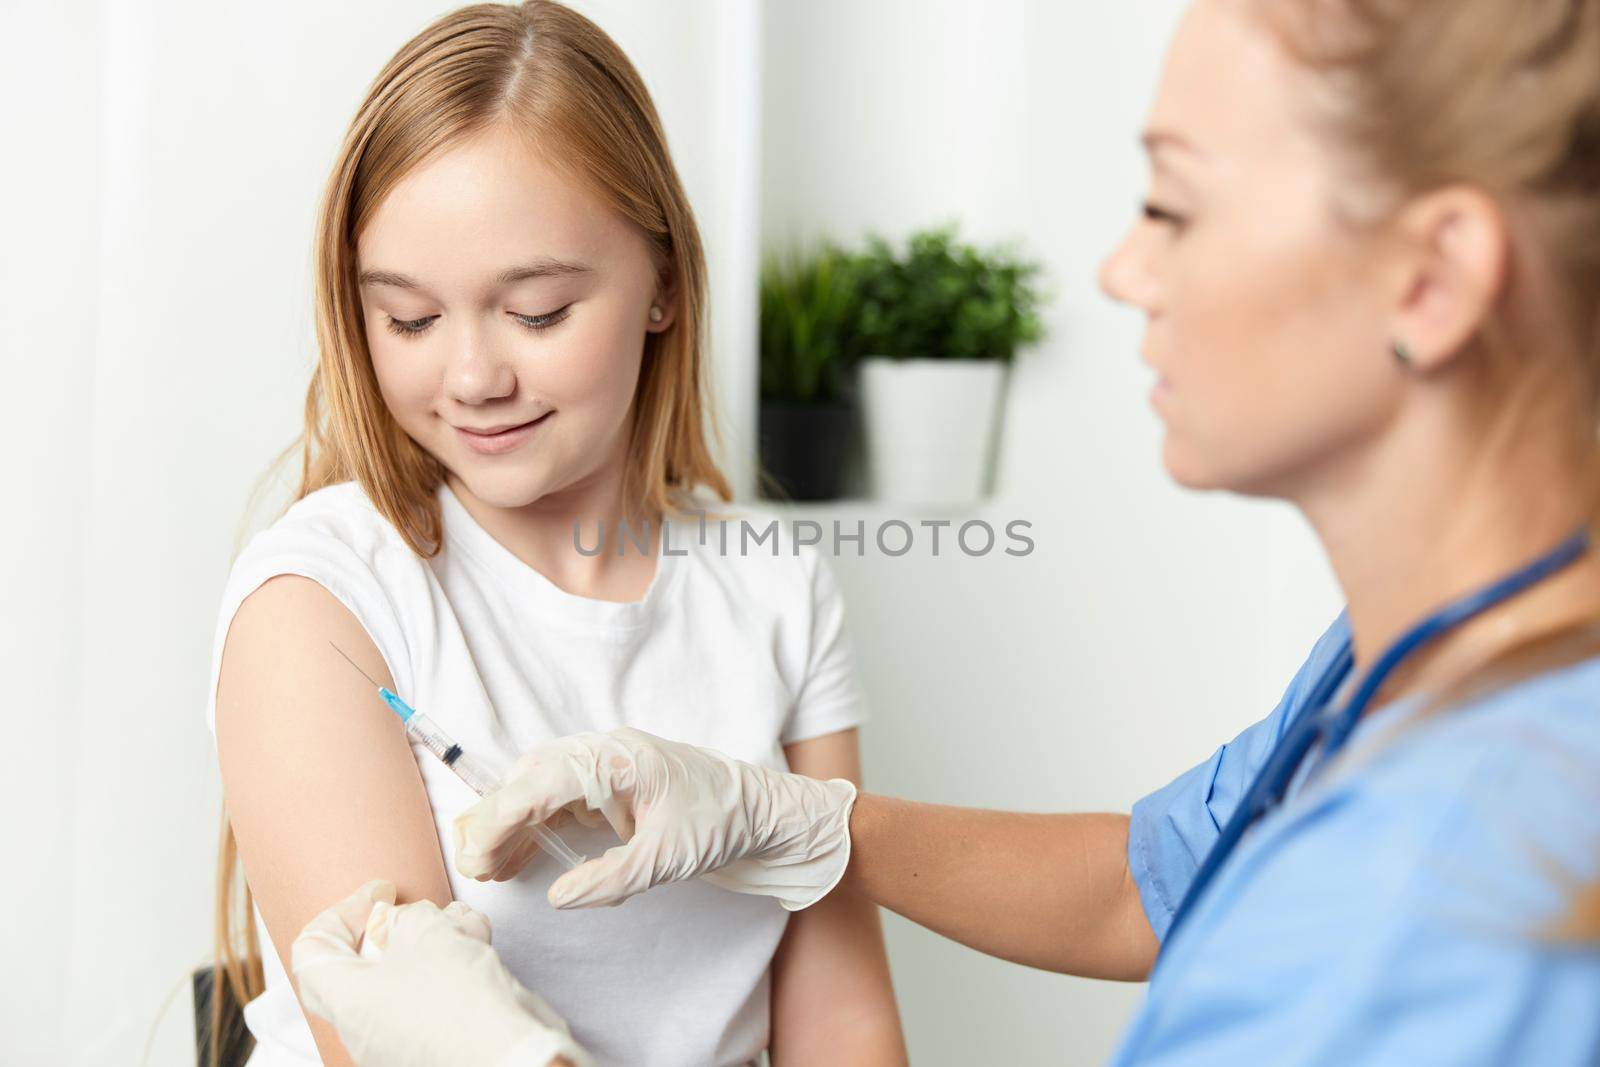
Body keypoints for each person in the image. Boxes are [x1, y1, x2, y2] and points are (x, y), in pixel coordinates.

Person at [293, 0, 1600, 1062]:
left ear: (1430, 281)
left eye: (1173, 204)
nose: (1117, 271)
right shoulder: (1416, 670)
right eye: (409, 316)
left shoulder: (1487, 850)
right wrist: (798, 821)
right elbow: (1157, 875)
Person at [205, 3, 905, 1065]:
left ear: (662, 283)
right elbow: (394, 1039)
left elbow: (845, 1028)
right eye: (409, 319)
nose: (475, 377)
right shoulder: (324, 600)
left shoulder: (772, 583)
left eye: (535, 312)